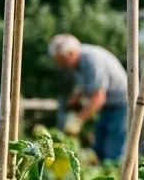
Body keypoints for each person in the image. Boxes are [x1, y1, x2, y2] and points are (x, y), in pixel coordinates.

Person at [49, 33, 129, 162]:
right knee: (98, 150)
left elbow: (98, 97)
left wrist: (78, 121)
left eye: (61, 61)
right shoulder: (78, 63)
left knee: (113, 152)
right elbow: (88, 86)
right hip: (108, 106)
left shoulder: (91, 59)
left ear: (70, 54)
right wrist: (76, 97)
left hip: (122, 104)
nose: (61, 65)